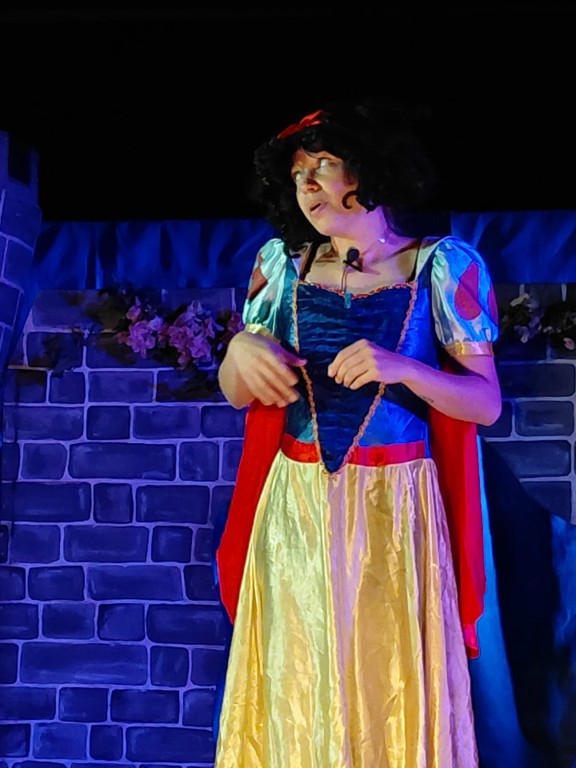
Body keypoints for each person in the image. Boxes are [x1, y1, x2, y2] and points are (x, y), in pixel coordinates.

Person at [213, 98, 501, 768]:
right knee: (298, 675)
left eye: (322, 165)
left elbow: (484, 403)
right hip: (298, 506)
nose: (307, 184)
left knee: (388, 681)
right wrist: (237, 353)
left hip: (396, 508)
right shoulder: (282, 267)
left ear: (368, 169)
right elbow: (238, 393)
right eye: (297, 174)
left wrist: (404, 367)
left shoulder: (442, 265)